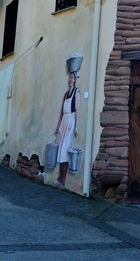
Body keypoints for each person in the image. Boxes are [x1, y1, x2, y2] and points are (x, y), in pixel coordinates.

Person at [53, 54, 82, 188]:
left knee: (65, 150)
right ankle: (60, 179)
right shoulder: (66, 94)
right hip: (64, 121)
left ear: (75, 80)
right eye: (69, 77)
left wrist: (75, 127)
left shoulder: (76, 93)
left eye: (72, 78)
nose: (70, 80)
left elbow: (76, 110)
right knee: (60, 150)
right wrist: (58, 125)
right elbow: (60, 111)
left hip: (70, 122)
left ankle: (62, 180)